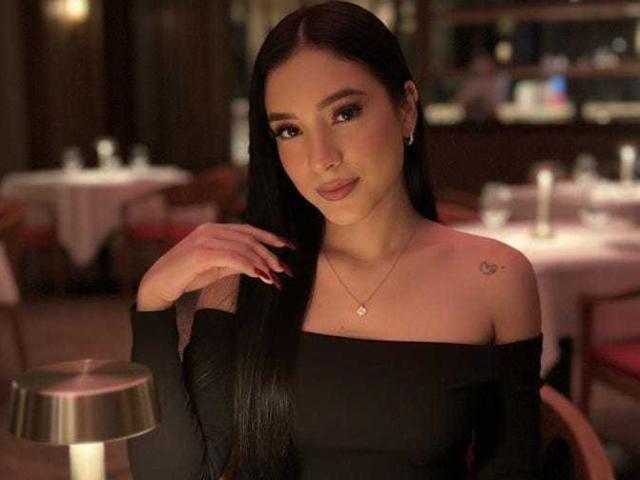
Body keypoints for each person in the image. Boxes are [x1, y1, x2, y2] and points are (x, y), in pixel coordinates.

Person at [127, 2, 543, 479]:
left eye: (345, 113)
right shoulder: (248, 275)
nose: (321, 158)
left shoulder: (495, 279)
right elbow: (174, 475)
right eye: (290, 130)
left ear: (406, 108)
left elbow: (512, 467)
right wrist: (153, 303)